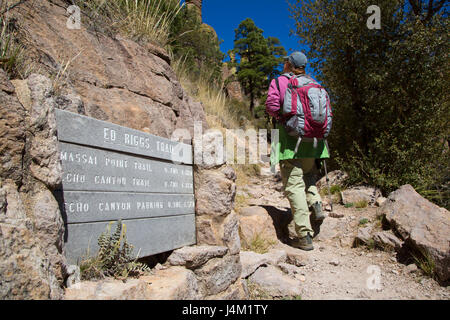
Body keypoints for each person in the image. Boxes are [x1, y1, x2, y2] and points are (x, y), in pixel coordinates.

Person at [266, 51, 329, 251]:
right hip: (315, 142)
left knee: (293, 185)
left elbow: (271, 105)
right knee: (309, 175)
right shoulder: (315, 83)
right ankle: (316, 204)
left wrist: (283, 119)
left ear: (288, 64)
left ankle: (304, 235)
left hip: (289, 141)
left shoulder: (280, 81)